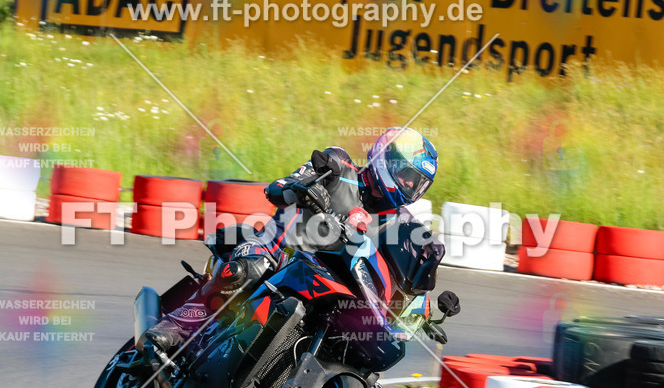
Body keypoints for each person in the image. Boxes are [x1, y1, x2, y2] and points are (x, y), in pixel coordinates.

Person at [144, 127, 441, 354]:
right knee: (251, 267)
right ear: (385, 158)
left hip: (332, 282)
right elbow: (277, 189)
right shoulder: (338, 165)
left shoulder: (400, 222)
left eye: (417, 184)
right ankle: (179, 325)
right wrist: (301, 188)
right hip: (281, 250)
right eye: (406, 176)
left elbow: (406, 275)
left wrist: (425, 309)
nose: (409, 186)